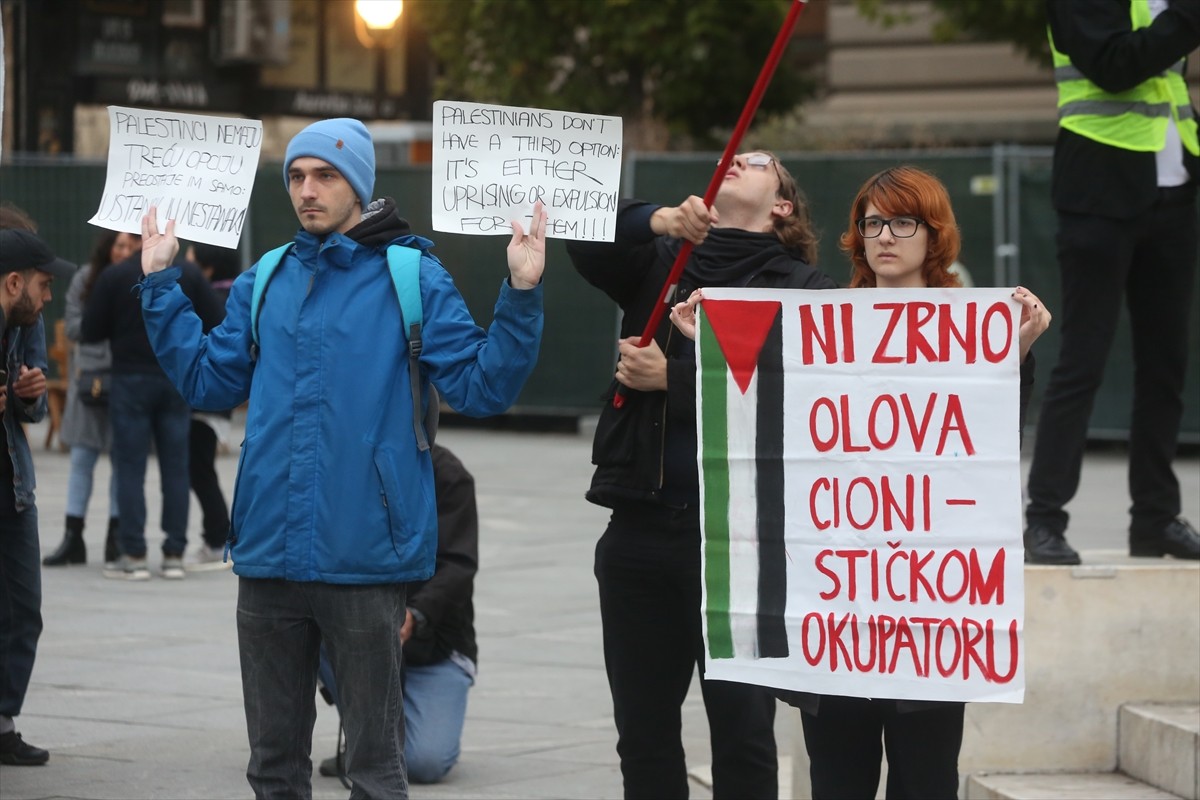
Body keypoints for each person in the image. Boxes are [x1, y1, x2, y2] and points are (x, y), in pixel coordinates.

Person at [136, 117, 546, 799]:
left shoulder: (413, 276)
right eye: (296, 175)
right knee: (272, 767)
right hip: (267, 553)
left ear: (358, 182)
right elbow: (209, 381)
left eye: (325, 175)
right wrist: (158, 283)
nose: (307, 189)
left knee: (375, 770)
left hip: (366, 558)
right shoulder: (266, 276)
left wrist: (523, 293)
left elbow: (484, 386)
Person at [672, 165, 1050, 800]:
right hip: (836, 619)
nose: (885, 236)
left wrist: (1014, 360)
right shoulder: (822, 325)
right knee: (836, 784)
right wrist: (714, 349)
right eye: (873, 222)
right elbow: (774, 431)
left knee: (925, 784)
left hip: (928, 617)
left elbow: (984, 448)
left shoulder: (972, 330)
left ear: (936, 235)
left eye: (903, 221)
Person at [566, 151, 836, 799]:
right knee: (643, 734)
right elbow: (584, 235)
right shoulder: (662, 262)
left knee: (743, 736)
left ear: (782, 206)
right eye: (732, 157)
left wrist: (677, 380)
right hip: (637, 532)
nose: (736, 159)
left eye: (758, 161)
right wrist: (657, 219)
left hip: (742, 545)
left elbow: (806, 396)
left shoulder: (806, 288)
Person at [1023, 0, 1200, 564]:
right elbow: (1115, 66)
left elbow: (1166, 83)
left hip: (1171, 190)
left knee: (1165, 366)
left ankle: (1155, 518)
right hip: (1099, 189)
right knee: (1083, 362)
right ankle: (1044, 519)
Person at [317, 442, 478, 785]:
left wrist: (415, 615)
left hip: (434, 649)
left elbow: (459, 567)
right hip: (358, 635)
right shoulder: (345, 465)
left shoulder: (448, 474)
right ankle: (368, 733)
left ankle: (377, 735)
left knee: (424, 762)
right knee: (302, 616)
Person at [81, 236, 224, 581]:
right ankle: (174, 552)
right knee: (176, 466)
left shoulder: (115, 275)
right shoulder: (188, 272)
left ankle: (133, 552)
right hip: (174, 378)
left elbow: (89, 330)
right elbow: (218, 317)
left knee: (129, 467)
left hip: (129, 379)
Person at [0, 224, 77, 766]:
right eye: (43, 285)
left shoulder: (25, 318)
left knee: (24, 609)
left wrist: (28, 395)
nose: (48, 296)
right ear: (13, 282)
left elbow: (32, 395)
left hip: (13, 482)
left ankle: (2, 720)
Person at [43, 230, 139, 568]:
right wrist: (109, 323)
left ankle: (115, 538)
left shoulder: (142, 278)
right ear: (108, 246)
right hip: (89, 380)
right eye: (120, 245)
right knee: (82, 459)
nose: (124, 251)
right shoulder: (86, 277)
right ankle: (73, 536)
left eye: (131, 245)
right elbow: (73, 327)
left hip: (125, 381)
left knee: (121, 460)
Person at [182, 241, 239, 571]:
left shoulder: (214, 300)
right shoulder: (232, 296)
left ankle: (218, 536)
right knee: (201, 468)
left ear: (207, 266)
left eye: (191, 256)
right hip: (216, 404)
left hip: (207, 404)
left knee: (199, 469)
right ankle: (216, 535)